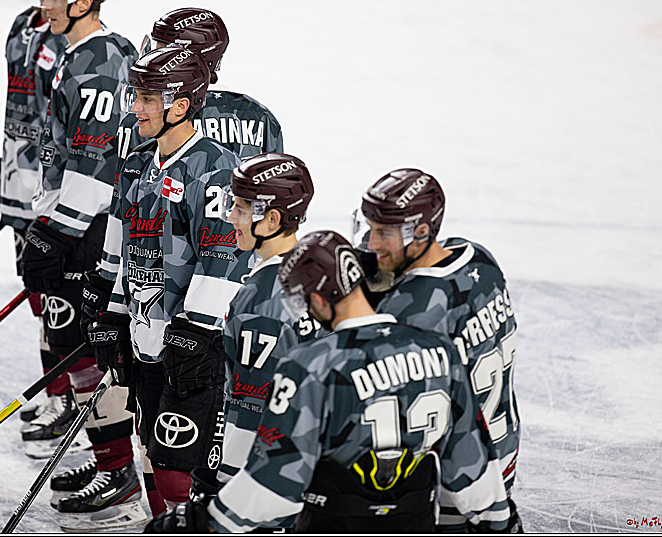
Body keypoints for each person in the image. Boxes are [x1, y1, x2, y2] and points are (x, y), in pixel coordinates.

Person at [146, 231, 513, 533]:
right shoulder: (438, 351)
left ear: (319, 300)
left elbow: (277, 482)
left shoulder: (312, 366)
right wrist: (501, 522)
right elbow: (469, 464)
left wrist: (207, 519)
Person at [83, 46, 252, 517]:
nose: (135, 108)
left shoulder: (216, 170)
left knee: (180, 468)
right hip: (146, 335)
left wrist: (196, 329)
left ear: (179, 105)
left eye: (146, 99)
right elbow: (128, 249)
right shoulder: (137, 164)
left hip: (193, 345)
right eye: (136, 96)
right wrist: (114, 314)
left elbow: (222, 257)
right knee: (152, 450)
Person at [16, 0, 143, 528]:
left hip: (89, 232)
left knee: (88, 351)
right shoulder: (88, 54)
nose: (42, 4)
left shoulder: (97, 62)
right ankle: (112, 463)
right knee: (83, 350)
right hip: (83, 226)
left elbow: (92, 174)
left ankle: (119, 473)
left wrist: (52, 234)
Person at [356, 168, 522, 531]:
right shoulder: (479, 258)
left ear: (420, 231)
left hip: (457, 477)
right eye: (370, 228)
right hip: (502, 446)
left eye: (384, 232)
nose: (371, 243)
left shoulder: (410, 309)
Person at [0, 0, 87, 444]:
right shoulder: (22, 26)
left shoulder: (73, 43)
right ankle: (58, 394)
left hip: (53, 193)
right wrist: (10, 180)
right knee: (38, 297)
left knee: (61, 302)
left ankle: (73, 399)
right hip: (19, 181)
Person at [208, 152, 322, 531]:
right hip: (310, 470)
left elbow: (249, 403)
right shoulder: (321, 269)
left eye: (241, 209)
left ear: (272, 219)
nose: (230, 217)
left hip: (266, 483)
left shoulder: (260, 296)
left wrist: (228, 481)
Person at [118, 8, 283, 161]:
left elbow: (126, 180)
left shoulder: (147, 117)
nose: (151, 57)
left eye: (160, 52)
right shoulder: (261, 116)